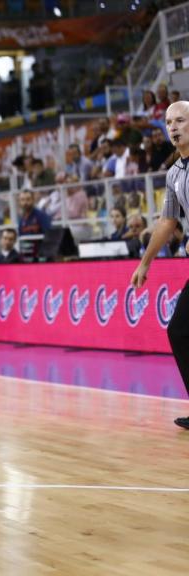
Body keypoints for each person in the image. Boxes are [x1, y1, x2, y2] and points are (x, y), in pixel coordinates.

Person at [131, 100, 189, 430]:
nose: (173, 127)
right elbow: (168, 221)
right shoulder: (173, 173)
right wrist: (145, 263)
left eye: (180, 120)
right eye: (168, 122)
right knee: (180, 330)